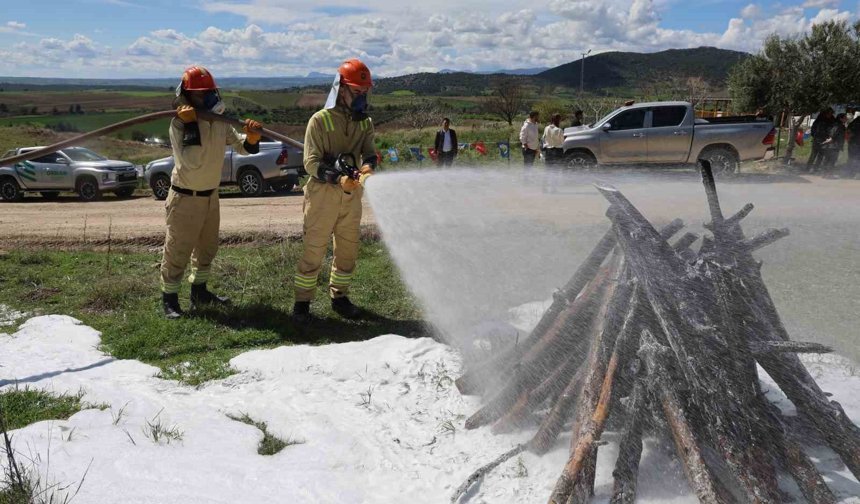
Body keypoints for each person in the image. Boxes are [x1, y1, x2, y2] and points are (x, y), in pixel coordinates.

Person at [161, 66, 263, 319]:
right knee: (178, 249)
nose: (207, 97)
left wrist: (251, 138)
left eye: (210, 91)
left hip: (210, 196)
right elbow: (192, 161)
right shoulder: (178, 124)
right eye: (200, 94)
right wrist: (192, 125)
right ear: (187, 96)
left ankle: (199, 292)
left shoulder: (219, 122)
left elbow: (241, 146)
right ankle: (170, 300)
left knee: (207, 248)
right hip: (185, 197)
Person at [293, 58, 376, 324]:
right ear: (341, 90)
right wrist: (337, 178)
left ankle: (339, 297)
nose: (362, 97)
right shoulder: (319, 121)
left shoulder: (365, 123)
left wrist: (366, 169)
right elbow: (311, 163)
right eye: (357, 92)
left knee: (348, 250)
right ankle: (302, 304)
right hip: (322, 196)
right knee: (314, 249)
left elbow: (370, 154)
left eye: (365, 92)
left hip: (351, 197)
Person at [542, 113, 565, 193]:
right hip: (557, 151)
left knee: (548, 170)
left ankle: (544, 188)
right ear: (558, 120)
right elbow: (562, 141)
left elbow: (543, 138)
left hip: (548, 151)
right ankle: (553, 188)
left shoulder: (546, 128)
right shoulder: (559, 130)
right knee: (555, 171)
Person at [807, 108, 834, 172]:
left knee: (820, 156)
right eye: (829, 113)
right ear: (826, 113)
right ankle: (808, 168)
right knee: (813, 155)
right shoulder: (819, 121)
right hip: (817, 140)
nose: (830, 115)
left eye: (831, 113)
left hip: (824, 140)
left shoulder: (830, 120)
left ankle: (815, 169)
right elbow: (813, 130)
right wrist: (815, 136)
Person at [520, 111, 540, 180]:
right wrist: (526, 146)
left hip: (534, 149)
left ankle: (528, 180)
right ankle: (526, 181)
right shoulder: (526, 125)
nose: (538, 117)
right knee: (527, 166)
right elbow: (522, 136)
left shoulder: (535, 124)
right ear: (534, 116)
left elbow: (536, 137)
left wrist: (537, 148)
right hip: (528, 149)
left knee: (530, 165)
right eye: (537, 116)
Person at [847, 113, 860, 178]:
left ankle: (851, 173)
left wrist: (849, 140)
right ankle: (856, 172)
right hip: (857, 144)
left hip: (852, 143)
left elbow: (848, 133)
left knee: (851, 158)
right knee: (857, 158)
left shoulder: (852, 124)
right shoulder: (854, 124)